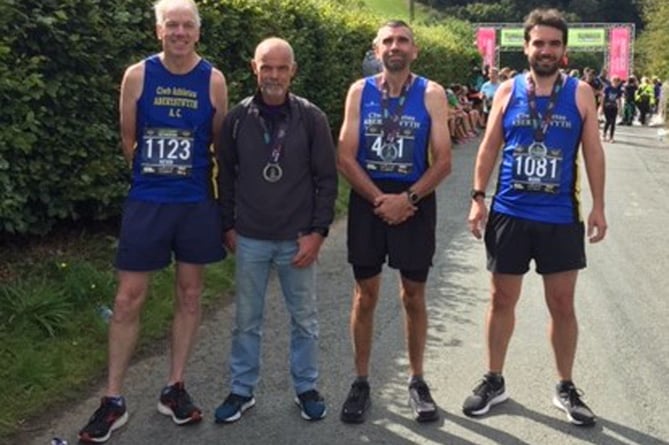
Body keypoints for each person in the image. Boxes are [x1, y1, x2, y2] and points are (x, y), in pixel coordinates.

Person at [78, 0, 228, 442]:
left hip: (195, 202)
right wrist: (156, 175)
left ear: (197, 33)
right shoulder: (138, 75)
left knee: (190, 292)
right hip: (147, 200)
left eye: (187, 25)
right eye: (171, 25)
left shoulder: (213, 80)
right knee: (127, 298)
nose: (179, 32)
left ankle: (174, 387)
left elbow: (217, 145)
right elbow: (130, 139)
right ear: (159, 31)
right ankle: (113, 399)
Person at [463, 8, 607, 427]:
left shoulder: (580, 93)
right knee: (501, 299)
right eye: (538, 42)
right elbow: (489, 146)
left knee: (562, 304)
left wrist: (598, 205)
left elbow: (593, 152)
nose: (545, 50)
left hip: (560, 216)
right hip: (509, 211)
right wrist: (477, 197)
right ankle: (494, 379)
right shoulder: (507, 90)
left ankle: (565, 385)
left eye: (554, 43)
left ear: (563, 51)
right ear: (526, 47)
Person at [214, 37, 337, 424]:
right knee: (245, 320)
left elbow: (327, 179)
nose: (274, 75)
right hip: (249, 237)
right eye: (267, 67)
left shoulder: (311, 118)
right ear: (254, 68)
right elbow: (226, 177)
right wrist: (228, 224)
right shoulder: (236, 119)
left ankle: (306, 388)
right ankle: (242, 389)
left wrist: (317, 233)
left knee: (304, 319)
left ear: (293, 71)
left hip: (297, 238)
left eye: (282, 68)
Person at [336, 20, 452, 424]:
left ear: (414, 50)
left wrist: (408, 199)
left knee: (413, 295)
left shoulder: (432, 94)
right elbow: (345, 155)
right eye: (388, 41)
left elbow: (444, 160)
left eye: (403, 40)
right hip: (370, 201)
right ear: (376, 49)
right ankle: (362, 380)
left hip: (415, 202)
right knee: (365, 294)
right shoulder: (359, 91)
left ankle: (418, 381)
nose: (395, 46)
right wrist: (380, 200)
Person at [601, 75, 623, 142]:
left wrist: (620, 109)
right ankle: (604, 134)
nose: (616, 83)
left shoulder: (619, 90)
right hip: (607, 106)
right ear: (612, 81)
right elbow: (603, 98)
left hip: (614, 107)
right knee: (608, 121)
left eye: (617, 82)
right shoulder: (607, 88)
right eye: (614, 81)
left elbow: (619, 100)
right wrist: (602, 107)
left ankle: (611, 137)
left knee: (613, 122)